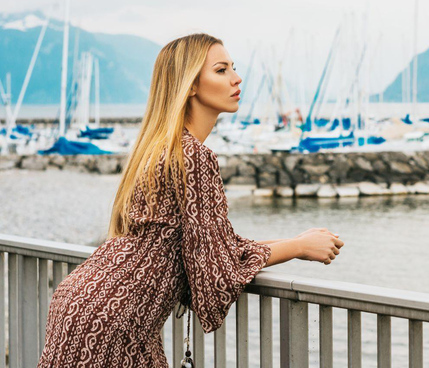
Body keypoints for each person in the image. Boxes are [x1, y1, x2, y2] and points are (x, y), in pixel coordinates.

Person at [37, 33, 344, 367]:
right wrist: (299, 249)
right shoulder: (193, 155)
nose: (236, 78)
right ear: (191, 85)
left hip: (87, 302)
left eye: (234, 68)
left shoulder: (158, 149)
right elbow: (218, 270)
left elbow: (214, 245)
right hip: (115, 319)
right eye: (221, 70)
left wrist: (295, 240)